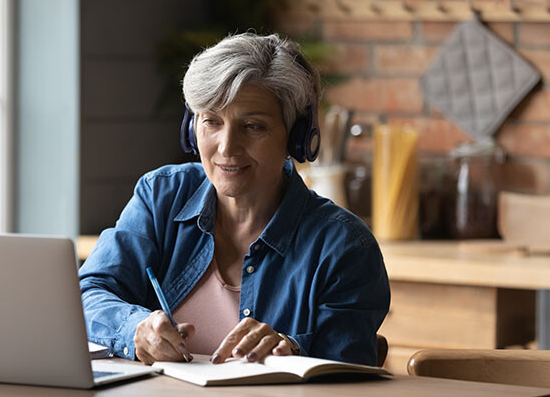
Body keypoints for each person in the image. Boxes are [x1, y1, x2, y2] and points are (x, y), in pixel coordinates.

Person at [78, 33, 389, 366]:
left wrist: (292, 349)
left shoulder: (344, 247)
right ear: (191, 127)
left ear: (296, 138)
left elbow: (348, 371)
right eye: (212, 121)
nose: (226, 147)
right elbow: (89, 294)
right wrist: (134, 328)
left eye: (252, 126)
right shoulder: (161, 197)